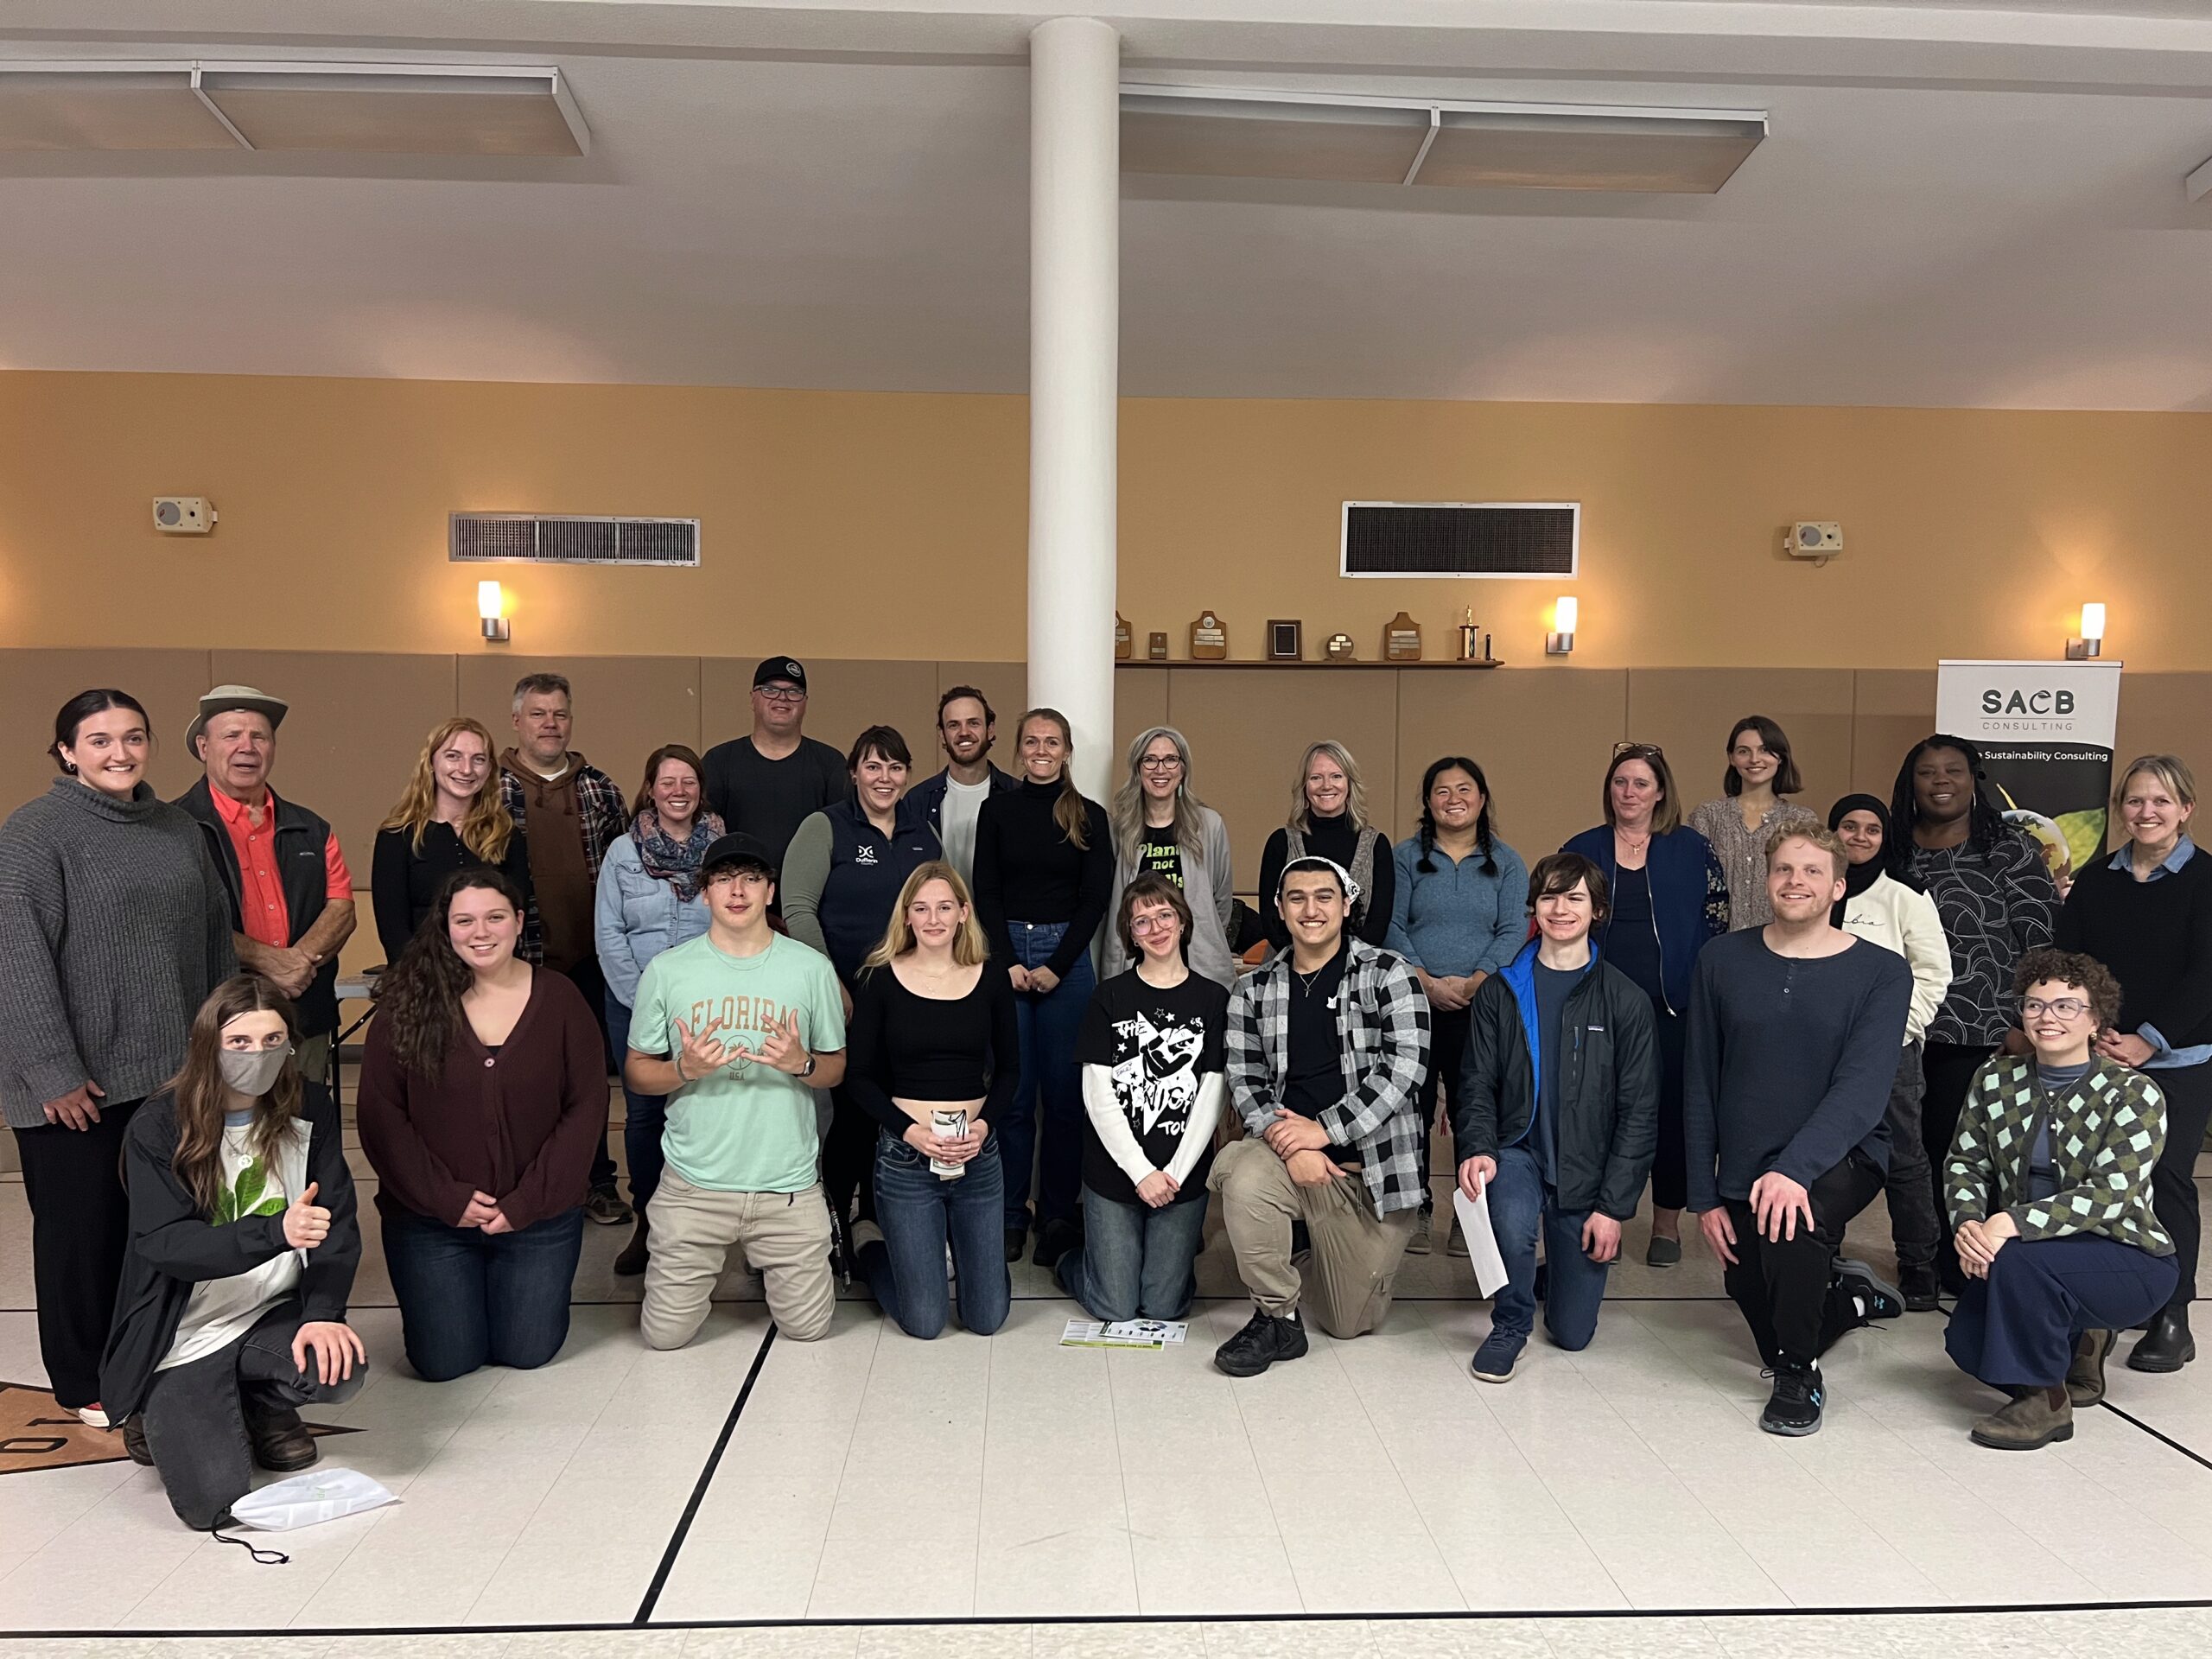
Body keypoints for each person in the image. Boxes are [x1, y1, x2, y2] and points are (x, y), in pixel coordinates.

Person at [0, 690, 235, 1429]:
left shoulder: (178, 829)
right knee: (80, 1236)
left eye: (133, 737)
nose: (119, 753)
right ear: (67, 751)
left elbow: (212, 947)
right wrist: (53, 1072)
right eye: (98, 740)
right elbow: (17, 961)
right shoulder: (33, 835)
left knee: (157, 1229)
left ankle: (146, 1354)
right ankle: (83, 1379)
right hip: (76, 1087)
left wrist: (220, 1051)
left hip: (169, 1076)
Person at [101, 976, 366, 1530]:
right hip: (184, 1329)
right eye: (240, 1043)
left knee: (336, 1367)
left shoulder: (308, 1105)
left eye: (273, 1042)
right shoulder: (159, 1123)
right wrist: (275, 1232)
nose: (258, 1055)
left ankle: (264, 1406)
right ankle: (156, 1403)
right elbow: (165, 1244)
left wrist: (322, 1315)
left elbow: (336, 1223)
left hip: (270, 1309)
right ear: (208, 1046)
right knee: (211, 1507)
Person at [1685, 824, 1914, 1436]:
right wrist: (1703, 1197)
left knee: (1793, 1219)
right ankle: (1850, 1300)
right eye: (1784, 869)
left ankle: (1799, 1373)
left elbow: (1862, 1091)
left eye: (1812, 871)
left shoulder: (1882, 972)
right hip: (1748, 1158)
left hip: (1844, 1153)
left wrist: (1794, 1169)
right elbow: (1701, 1079)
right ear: (1767, 882)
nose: (1796, 881)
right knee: (1760, 1299)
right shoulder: (1721, 959)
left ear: (1838, 886)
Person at [357, 868, 604, 1381]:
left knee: (527, 1350)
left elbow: (585, 1109)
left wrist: (526, 1202)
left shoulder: (559, 999)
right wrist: (444, 1197)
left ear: (518, 922)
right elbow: (382, 1116)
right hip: (431, 1221)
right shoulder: (408, 1001)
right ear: (445, 928)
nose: (481, 932)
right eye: (464, 920)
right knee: (445, 1362)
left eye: (495, 917)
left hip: (536, 1219)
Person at [1942, 950, 2176, 1449]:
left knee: (2020, 1262)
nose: (2048, 1017)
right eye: (2035, 1005)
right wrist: (1967, 1225)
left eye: (2067, 1006)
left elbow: (2111, 1194)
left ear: (2095, 1021)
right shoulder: (1994, 1080)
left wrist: (2007, 1223)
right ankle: (2075, 1338)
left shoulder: (2134, 1093)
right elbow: (1965, 1163)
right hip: (2031, 1255)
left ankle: (2043, 1402)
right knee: (1965, 1341)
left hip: (2126, 1256)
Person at [623, 833, 848, 1348]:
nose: (737, 890)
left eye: (751, 878)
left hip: (785, 1185)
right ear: (705, 893)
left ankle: (767, 1255)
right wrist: (684, 1069)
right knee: (664, 1338)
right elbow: (637, 1072)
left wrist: (802, 1062)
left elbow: (835, 1069)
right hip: (694, 1186)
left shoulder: (811, 969)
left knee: (808, 1330)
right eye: (723, 879)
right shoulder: (668, 970)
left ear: (770, 891)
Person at [1210, 856, 1428, 1376]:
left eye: (1324, 896)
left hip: (1369, 1178)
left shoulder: (1389, 974)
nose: (1311, 909)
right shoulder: (1253, 990)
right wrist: (1293, 1147)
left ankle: (1305, 1241)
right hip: (1290, 1162)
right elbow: (1246, 1083)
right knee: (1242, 1175)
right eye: (1297, 898)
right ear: (1280, 911)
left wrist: (1323, 1132)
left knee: (1349, 1322)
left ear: (1347, 905)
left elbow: (1405, 1071)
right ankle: (1278, 1315)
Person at [1454, 853, 1658, 1381]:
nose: (1560, 908)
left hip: (1586, 1170)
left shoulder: (1626, 1001)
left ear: (1597, 911)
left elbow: (1639, 1113)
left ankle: (1552, 1278)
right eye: (1549, 896)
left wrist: (1613, 1209)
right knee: (1511, 1221)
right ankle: (1511, 1322)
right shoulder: (1500, 992)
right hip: (1516, 1150)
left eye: (1575, 898)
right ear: (1533, 907)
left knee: (1572, 1335)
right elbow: (1475, 1083)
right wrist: (1478, 1147)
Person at [2056, 754, 2212, 1371]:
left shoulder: (2207, 880)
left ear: (2186, 810)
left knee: (2166, 1180)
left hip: (2179, 1058)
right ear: (2121, 809)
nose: (2146, 813)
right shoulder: (2098, 880)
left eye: (2161, 802)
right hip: (2101, 1054)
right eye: (2136, 801)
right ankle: (2102, 1305)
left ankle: (2172, 1313)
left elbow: (2207, 976)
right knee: (2099, 1181)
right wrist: (2087, 1031)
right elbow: (2069, 961)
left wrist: (2150, 1039)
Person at [1890, 735, 2059, 1294]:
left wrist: (2025, 1024)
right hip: (1909, 1028)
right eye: (1927, 772)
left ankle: (1974, 1260)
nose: (1940, 781)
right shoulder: (1895, 849)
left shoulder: (2007, 847)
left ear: (1973, 779)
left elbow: (2040, 940)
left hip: (1986, 1031)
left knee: (1972, 1151)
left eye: (1953, 770)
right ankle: (1926, 1257)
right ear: (1910, 783)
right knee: (1917, 1152)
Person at [1562, 743, 1727, 1268]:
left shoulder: (1691, 848)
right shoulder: (1582, 847)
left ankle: (1664, 1225)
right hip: (1598, 1005)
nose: (1629, 792)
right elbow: (1556, 917)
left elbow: (1717, 919)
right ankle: (1599, 1214)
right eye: (1620, 782)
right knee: (1596, 1113)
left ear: (1660, 792)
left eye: (1641, 783)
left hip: (1674, 1009)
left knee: (1672, 1115)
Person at [782, 726, 943, 1266]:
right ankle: (831, 1223)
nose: (884, 777)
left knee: (893, 1114)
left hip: (906, 1000)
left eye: (895, 767)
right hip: (845, 996)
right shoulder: (824, 826)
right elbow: (798, 908)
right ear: (854, 772)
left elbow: (935, 911)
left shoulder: (923, 832)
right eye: (873, 766)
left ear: (907, 775)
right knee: (852, 1115)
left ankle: (876, 1221)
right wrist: (831, 983)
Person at [845, 863, 1017, 1338]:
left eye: (944, 907)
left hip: (976, 1154)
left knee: (986, 1320)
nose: (933, 918)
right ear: (906, 916)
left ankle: (957, 1258)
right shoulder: (879, 978)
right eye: (921, 908)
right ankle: (870, 1245)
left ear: (964, 912)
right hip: (907, 1156)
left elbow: (1010, 1071)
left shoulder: (991, 976)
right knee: (923, 1323)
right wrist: (912, 1133)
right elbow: (859, 1078)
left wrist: (982, 1128)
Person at [970, 708, 1113, 1268]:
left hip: (1067, 962)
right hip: (1004, 955)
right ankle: (1010, 1213)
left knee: (1064, 1100)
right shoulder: (996, 810)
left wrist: (1057, 963)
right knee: (1011, 1096)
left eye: (1052, 742)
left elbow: (1094, 901)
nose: (1041, 750)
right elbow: (985, 891)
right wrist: (1005, 960)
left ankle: (1057, 1212)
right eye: (1032, 741)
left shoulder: (1089, 817)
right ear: (1019, 749)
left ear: (1067, 751)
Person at [1058, 875, 1230, 1324]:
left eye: (1164, 916)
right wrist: (1141, 1173)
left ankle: (1166, 1268)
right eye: (1141, 922)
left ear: (1183, 920)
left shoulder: (1213, 999)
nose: (1155, 929)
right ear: (1129, 935)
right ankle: (1070, 1260)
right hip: (1114, 1173)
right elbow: (1098, 1096)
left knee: (1162, 1308)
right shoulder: (1109, 997)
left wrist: (1169, 1175)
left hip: (1180, 1175)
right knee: (1114, 1307)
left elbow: (1211, 1094)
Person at [175, 684, 356, 1103]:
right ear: (203, 747)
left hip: (303, 1021)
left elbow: (342, 908)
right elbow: (186, 920)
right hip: (216, 1023)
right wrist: (270, 961)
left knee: (302, 1130)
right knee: (218, 1140)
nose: (247, 747)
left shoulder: (312, 827)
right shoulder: (175, 829)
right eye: (231, 735)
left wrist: (296, 965)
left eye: (259, 736)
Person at [498, 672, 632, 1227]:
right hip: (514, 963)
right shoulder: (491, 789)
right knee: (519, 1078)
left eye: (559, 714)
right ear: (517, 722)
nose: (549, 724)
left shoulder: (600, 787)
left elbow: (626, 872)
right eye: (537, 714)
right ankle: (528, 1187)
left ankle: (598, 1181)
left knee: (587, 1079)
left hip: (589, 961)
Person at [1386, 756, 1529, 1255]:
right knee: (1413, 1109)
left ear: (1483, 798)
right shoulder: (1405, 857)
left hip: (1482, 1006)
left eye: (1464, 789)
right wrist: (1424, 980)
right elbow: (1392, 926)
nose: (1454, 799)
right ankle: (1419, 1210)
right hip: (1414, 1002)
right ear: (1427, 802)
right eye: (1441, 791)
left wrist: (1476, 982)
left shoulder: (1507, 862)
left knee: (1475, 1109)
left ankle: (1470, 1214)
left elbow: (1513, 930)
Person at [594, 744, 721, 1276]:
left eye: (688, 781)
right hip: (634, 1002)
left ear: (700, 790)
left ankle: (705, 1225)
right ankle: (650, 1225)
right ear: (650, 788)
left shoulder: (721, 852)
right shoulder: (623, 853)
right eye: (667, 781)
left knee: (704, 1110)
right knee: (644, 1116)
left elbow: (731, 924)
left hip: (705, 1008)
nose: (677, 790)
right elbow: (609, 933)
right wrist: (646, 1001)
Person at [1829, 793, 1954, 1311]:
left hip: (1891, 1053)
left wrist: (1897, 1030)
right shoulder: (1815, 890)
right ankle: (1823, 1249)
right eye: (1849, 827)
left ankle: (1919, 1264)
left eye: (1872, 829)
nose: (1859, 837)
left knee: (1905, 1157)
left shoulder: (1905, 895)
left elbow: (1933, 973)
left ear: (1886, 838)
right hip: (1824, 1053)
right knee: (1827, 1154)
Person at [371, 716, 532, 962]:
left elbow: (514, 921)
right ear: (432, 762)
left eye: (478, 759)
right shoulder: (396, 837)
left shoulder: (506, 835)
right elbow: (393, 931)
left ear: (489, 769)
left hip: (493, 975)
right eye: (453, 756)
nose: (466, 769)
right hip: (421, 978)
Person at [1101, 726, 1238, 988]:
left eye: (1170, 759)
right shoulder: (1119, 830)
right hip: (1135, 965)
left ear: (1183, 769)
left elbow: (1221, 900)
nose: (1160, 769)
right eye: (1149, 760)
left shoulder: (1208, 826)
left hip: (1196, 965)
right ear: (1137, 769)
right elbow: (1111, 903)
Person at [701, 657, 849, 873]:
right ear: (753, 699)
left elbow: (843, 836)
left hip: (810, 895)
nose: (782, 698)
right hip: (738, 893)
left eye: (794, 692)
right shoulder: (719, 761)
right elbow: (702, 834)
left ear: (805, 702)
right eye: (770, 690)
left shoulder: (830, 763)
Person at [1255, 741, 1395, 954]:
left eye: (1336, 776)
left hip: (1358, 968)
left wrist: (1338, 965)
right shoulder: (1281, 842)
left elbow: (1378, 925)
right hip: (1290, 965)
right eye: (1316, 778)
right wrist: (1307, 962)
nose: (1326, 785)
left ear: (1350, 784)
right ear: (1304, 786)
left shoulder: (1377, 846)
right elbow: (1271, 918)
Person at [1689, 715, 1819, 933]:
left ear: (1780, 757)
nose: (1754, 759)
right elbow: (1691, 884)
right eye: (1743, 751)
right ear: (1731, 757)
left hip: (1782, 943)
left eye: (1765, 750)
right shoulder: (1708, 816)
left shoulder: (1802, 820)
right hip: (1717, 944)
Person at [906, 686, 1017, 887]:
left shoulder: (1016, 795)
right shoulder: (918, 800)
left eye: (973, 723)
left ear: (990, 730)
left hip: (1002, 917)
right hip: (937, 918)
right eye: (954, 725)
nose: (964, 733)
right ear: (942, 734)